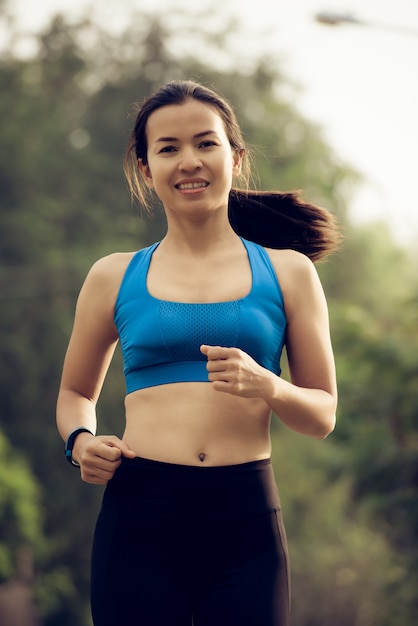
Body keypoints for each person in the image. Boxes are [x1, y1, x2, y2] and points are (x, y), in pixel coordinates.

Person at [56, 79, 339, 626]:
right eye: (168, 148)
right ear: (145, 168)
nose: (189, 161)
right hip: (139, 518)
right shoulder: (113, 275)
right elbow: (74, 393)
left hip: (245, 521)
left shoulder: (287, 272)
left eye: (206, 144)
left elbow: (322, 414)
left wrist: (269, 385)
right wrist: (81, 441)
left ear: (235, 157)